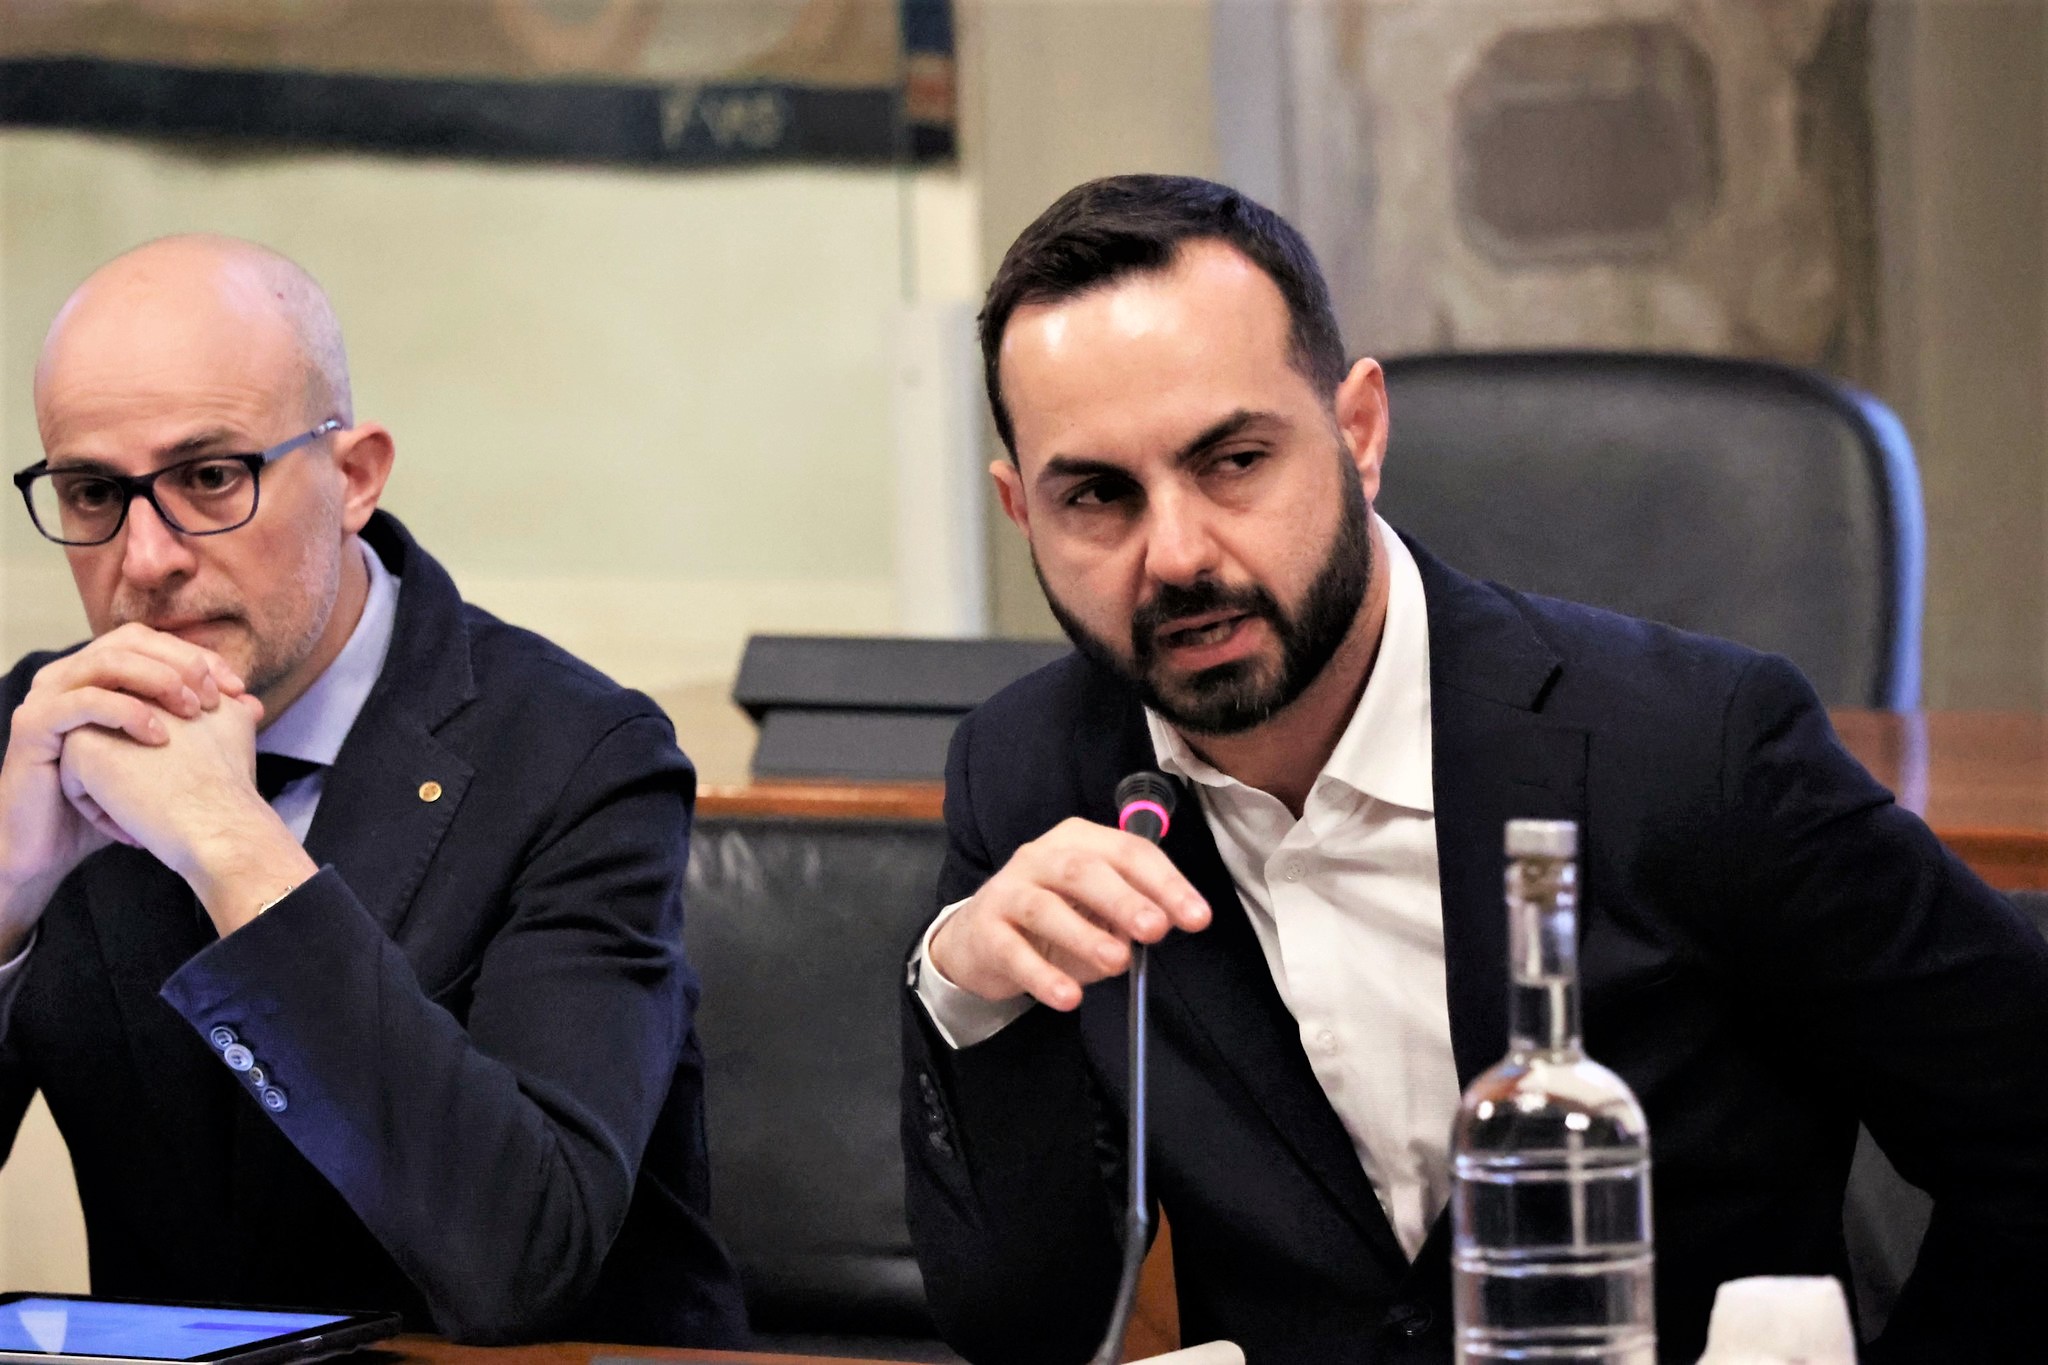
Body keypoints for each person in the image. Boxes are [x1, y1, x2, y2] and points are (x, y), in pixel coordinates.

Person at [899, 175, 2048, 1365]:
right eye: (1095, 496)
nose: (1178, 554)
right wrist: (967, 992)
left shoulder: (1695, 749)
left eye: (1233, 460)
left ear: (1357, 432)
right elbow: (1021, 1327)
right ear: (1020, 513)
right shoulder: (1030, 773)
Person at [0, 236, 748, 1347]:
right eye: (94, 491)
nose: (146, 558)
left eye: (211, 478)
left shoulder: (578, 755)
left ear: (353, 477)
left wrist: (229, 839)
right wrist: (4, 910)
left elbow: (518, 1263)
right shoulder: (43, 734)